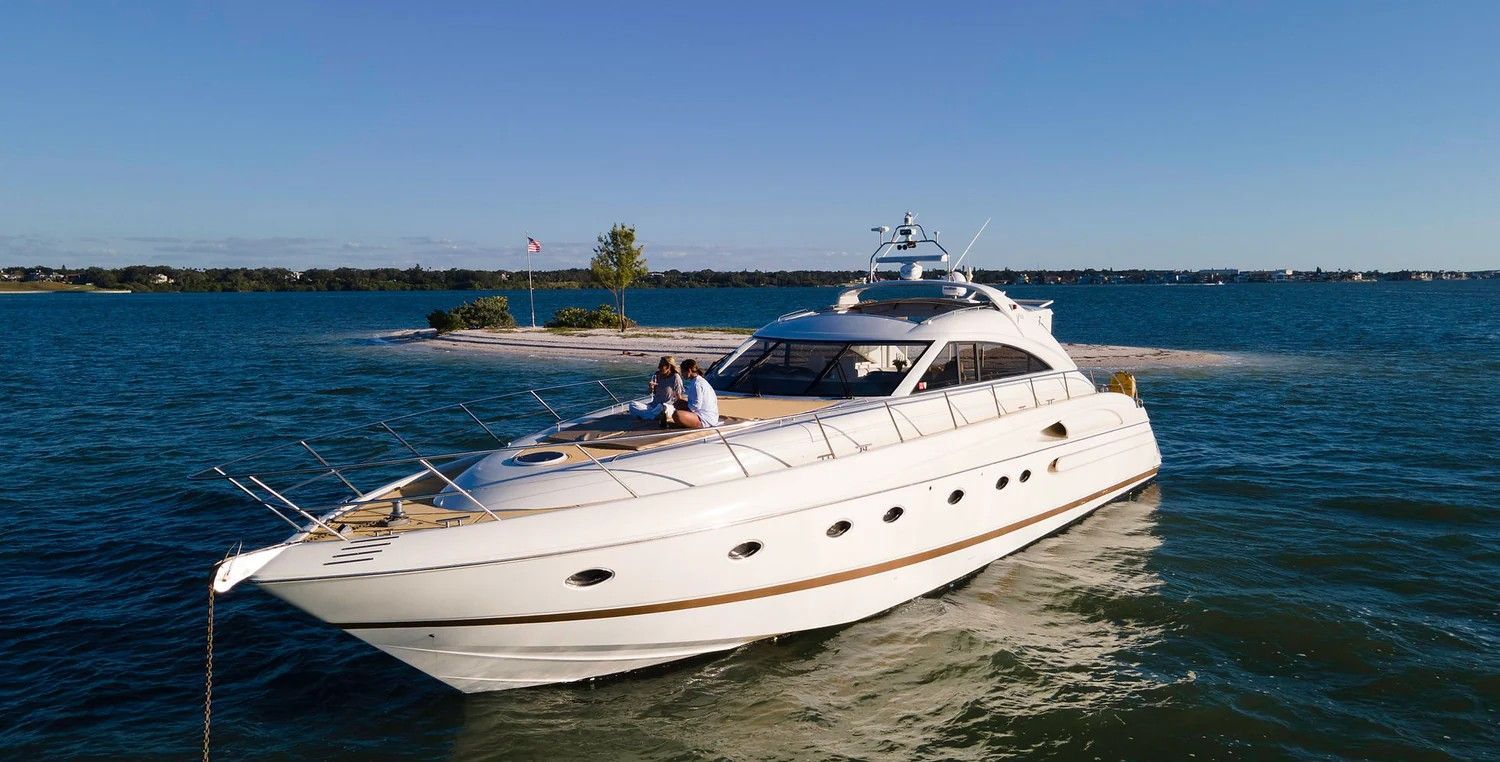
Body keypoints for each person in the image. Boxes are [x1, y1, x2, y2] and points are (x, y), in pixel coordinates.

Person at [667, 358, 720, 429]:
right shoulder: (698, 381)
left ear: (689, 371)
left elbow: (695, 406)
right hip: (705, 414)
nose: (682, 374)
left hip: (705, 418)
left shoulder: (697, 384)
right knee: (678, 404)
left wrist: (682, 405)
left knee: (677, 415)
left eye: (683, 372)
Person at [628, 356, 684, 420]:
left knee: (664, 408)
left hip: (667, 406)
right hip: (654, 406)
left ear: (668, 367)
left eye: (661, 366)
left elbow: (679, 397)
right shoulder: (657, 375)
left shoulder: (675, 377)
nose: (658, 367)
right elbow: (651, 393)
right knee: (632, 404)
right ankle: (653, 417)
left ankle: (647, 415)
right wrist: (650, 388)